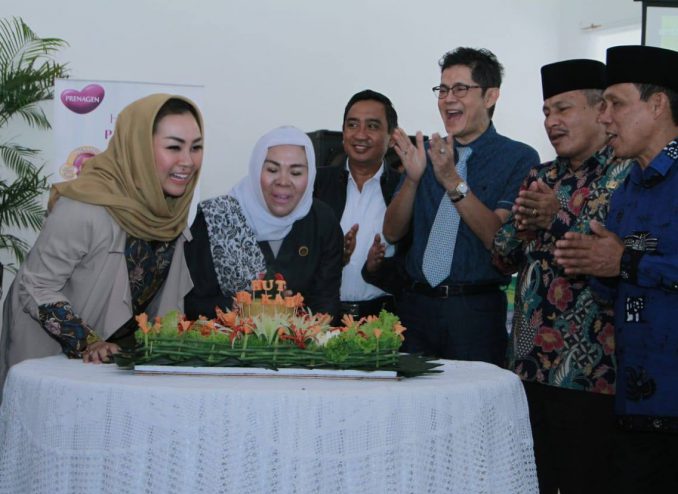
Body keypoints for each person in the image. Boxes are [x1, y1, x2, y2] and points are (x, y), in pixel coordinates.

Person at [491, 59, 632, 494]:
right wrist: (521, 227)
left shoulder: (624, 174)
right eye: (546, 111)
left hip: (590, 374)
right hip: (527, 366)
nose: (552, 122)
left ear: (600, 111)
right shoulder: (542, 175)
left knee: (586, 493)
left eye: (563, 109)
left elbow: (606, 252)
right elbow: (502, 256)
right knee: (528, 492)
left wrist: (555, 217)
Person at [0, 94, 203, 390]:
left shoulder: (169, 211)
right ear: (138, 148)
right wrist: (87, 341)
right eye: (174, 147)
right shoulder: (84, 205)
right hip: (49, 356)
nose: (187, 161)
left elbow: (160, 305)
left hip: (112, 363)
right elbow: (36, 286)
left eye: (196, 147)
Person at [554, 45, 678, 494]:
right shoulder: (627, 186)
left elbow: (630, 265)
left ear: (658, 104)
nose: (604, 117)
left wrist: (624, 262)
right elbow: (616, 286)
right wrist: (595, 264)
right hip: (632, 403)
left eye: (616, 104)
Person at [382, 47, 539, 365]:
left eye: (460, 89)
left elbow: (498, 239)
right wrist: (412, 179)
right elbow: (392, 232)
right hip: (415, 307)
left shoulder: (518, 158)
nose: (448, 99)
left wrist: (452, 180)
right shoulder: (426, 152)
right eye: (442, 90)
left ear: (490, 96)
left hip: (474, 311)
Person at [184, 126, 343, 320]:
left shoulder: (322, 221)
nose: (283, 181)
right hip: (222, 338)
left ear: (310, 177)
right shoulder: (216, 218)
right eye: (272, 170)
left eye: (296, 172)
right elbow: (188, 303)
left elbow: (326, 302)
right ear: (256, 168)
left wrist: (297, 323)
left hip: (302, 338)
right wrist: (241, 306)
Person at [313, 89, 401, 319]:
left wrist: (377, 267)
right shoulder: (316, 184)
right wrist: (336, 257)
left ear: (392, 137)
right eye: (352, 125)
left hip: (383, 322)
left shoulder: (404, 189)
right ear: (343, 133)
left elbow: (412, 268)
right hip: (323, 320)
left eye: (372, 126)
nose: (360, 135)